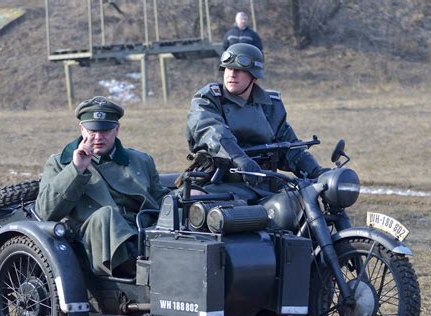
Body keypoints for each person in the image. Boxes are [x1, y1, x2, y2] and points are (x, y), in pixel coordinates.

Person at [35, 96, 169, 277]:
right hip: (92, 239)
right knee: (107, 215)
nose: (98, 137)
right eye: (92, 131)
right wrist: (77, 169)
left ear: (117, 129)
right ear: (81, 129)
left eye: (105, 130)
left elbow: (160, 199)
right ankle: (140, 270)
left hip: (141, 230)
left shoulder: (141, 161)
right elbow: (44, 211)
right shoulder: (60, 163)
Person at [184, 43, 328, 201]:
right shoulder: (208, 99)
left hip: (267, 184)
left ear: (253, 75)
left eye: (239, 70)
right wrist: (239, 157)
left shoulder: (270, 105)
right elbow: (211, 131)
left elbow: (291, 148)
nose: (231, 74)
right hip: (219, 183)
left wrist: (318, 173)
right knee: (199, 206)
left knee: (304, 207)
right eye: (228, 69)